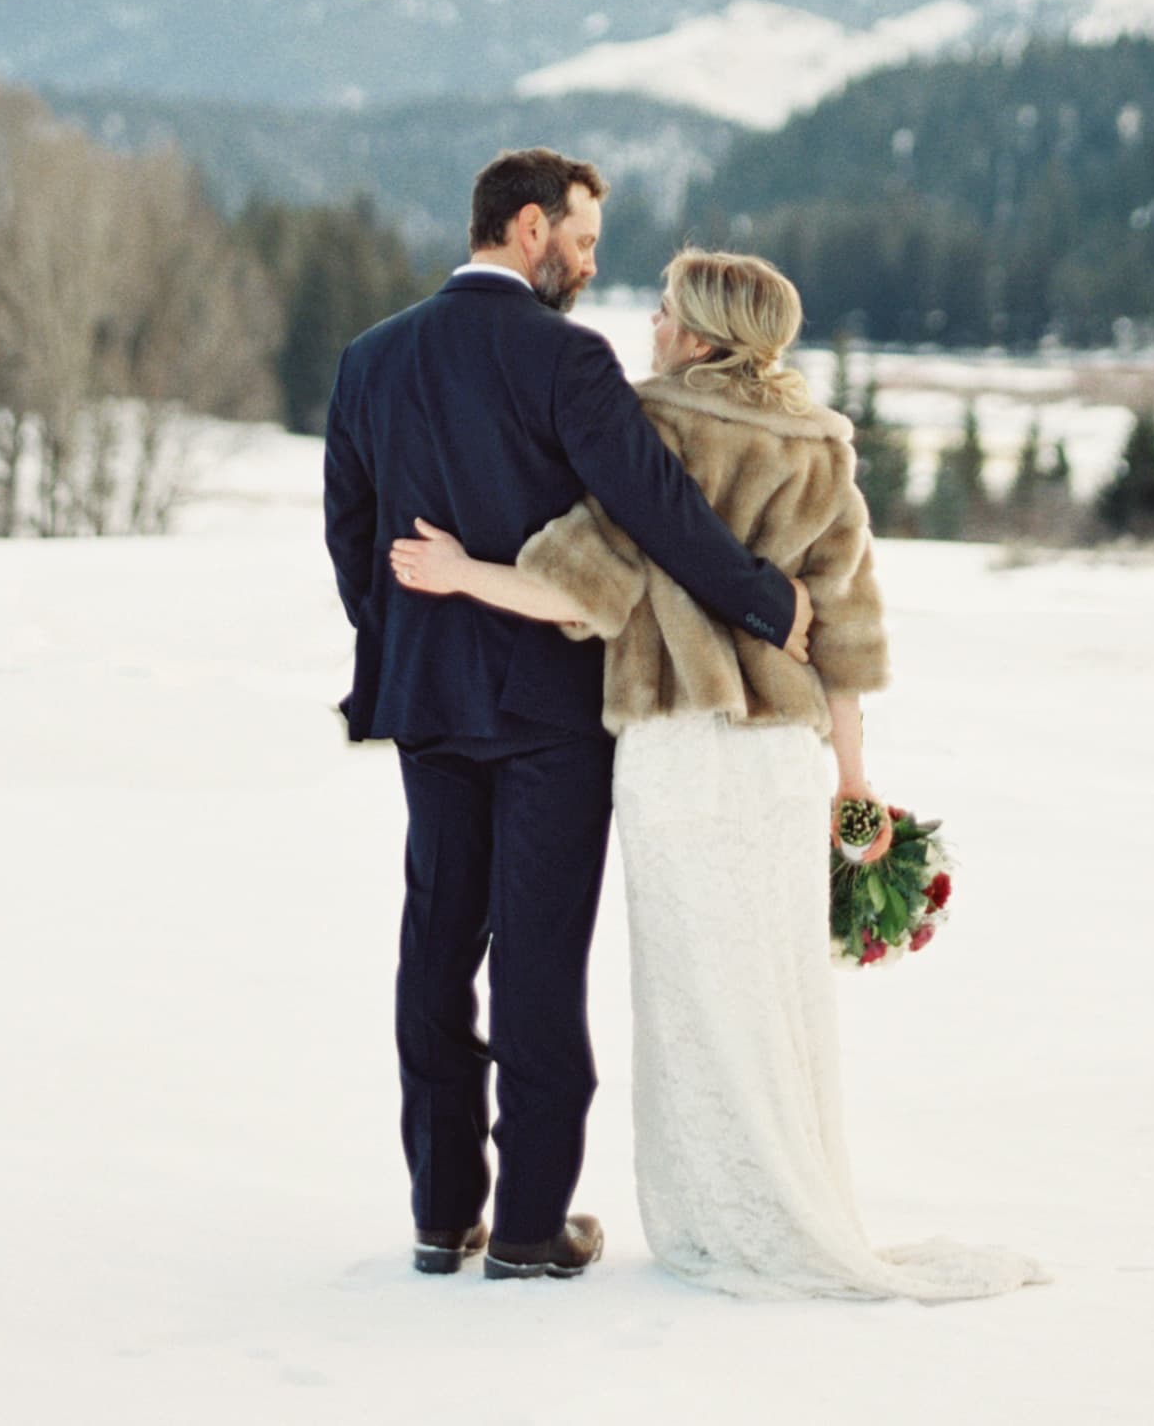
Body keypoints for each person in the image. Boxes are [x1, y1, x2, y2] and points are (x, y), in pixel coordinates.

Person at [391, 249, 1047, 1302]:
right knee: (772, 988)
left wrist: (464, 572)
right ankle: (791, 1194)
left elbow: (580, 586)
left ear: (698, 334)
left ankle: (717, 1212)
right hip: (781, 764)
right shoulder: (824, 449)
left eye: (661, 311)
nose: (648, 325)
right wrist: (852, 776)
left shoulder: (652, 429)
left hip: (676, 750)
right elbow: (845, 633)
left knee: (691, 992)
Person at [322, 151, 816, 1283]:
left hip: (427, 704)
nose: (593, 265)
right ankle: (534, 1224)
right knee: (540, 959)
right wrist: (763, 597)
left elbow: (352, 539)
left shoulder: (369, 358)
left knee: (436, 952)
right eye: (584, 240)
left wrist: (412, 643)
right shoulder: (567, 358)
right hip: (550, 708)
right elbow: (656, 512)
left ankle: (444, 1215)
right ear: (531, 225)